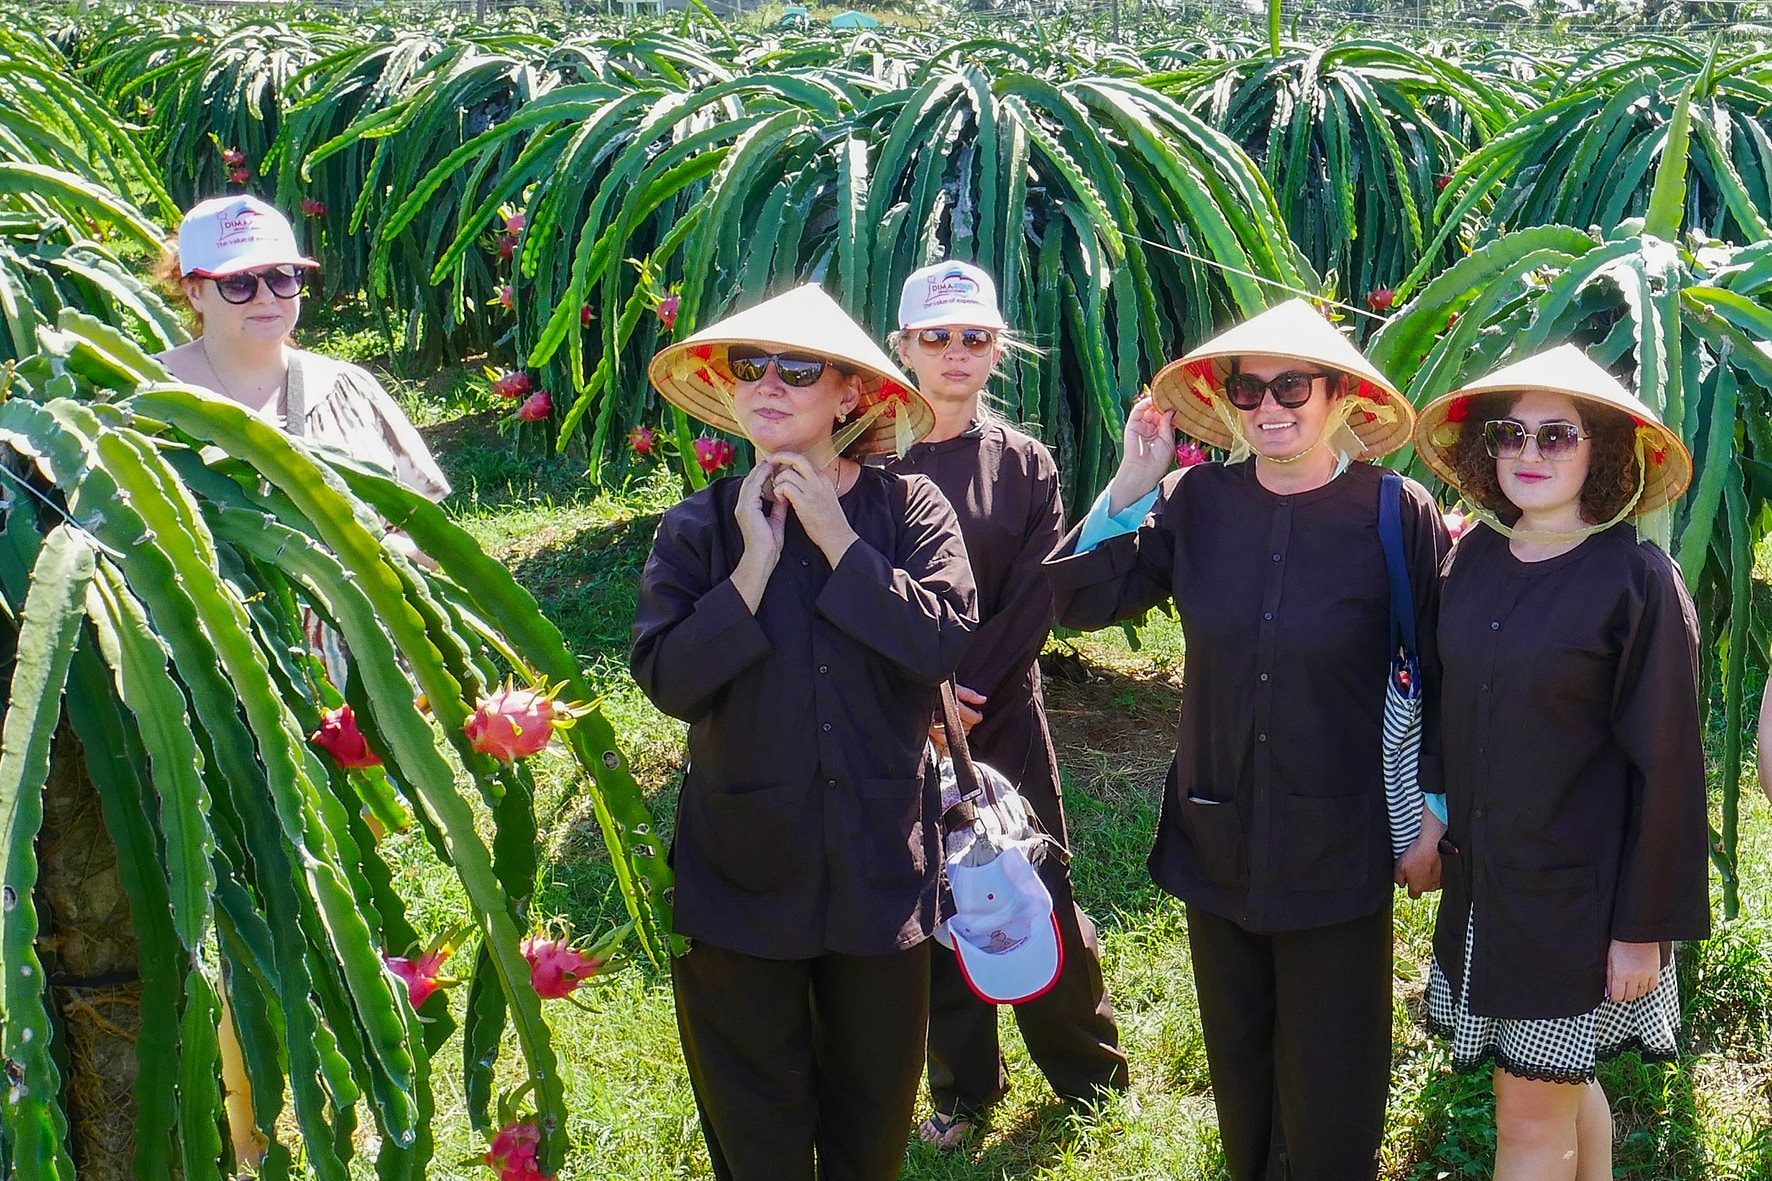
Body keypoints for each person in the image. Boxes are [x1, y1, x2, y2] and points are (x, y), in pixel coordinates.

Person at [1042, 298, 1449, 1181]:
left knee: (1334, 1087)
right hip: (1216, 834)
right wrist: (1131, 482)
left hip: (1340, 842)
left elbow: (1441, 670)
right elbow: (1076, 601)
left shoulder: (1393, 512)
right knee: (1240, 1074)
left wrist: (1435, 815)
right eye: (1249, 387)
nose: (1270, 406)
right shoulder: (1197, 501)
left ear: (1339, 395)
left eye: (1293, 385)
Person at [630, 283, 977, 1181]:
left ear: (849, 395)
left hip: (877, 877)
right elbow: (667, 679)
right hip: (740, 880)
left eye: (798, 368)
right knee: (758, 1145)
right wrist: (752, 568)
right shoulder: (700, 528)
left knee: (870, 1137)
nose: (770, 385)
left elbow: (941, 639)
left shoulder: (911, 514)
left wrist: (837, 541)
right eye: (751, 367)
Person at [1411, 344, 1710, 1180]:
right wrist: (1432, 817)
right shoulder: (1469, 561)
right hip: (1487, 892)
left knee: (1527, 1118)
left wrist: (1642, 930)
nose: (1530, 453)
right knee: (1559, 1091)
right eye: (1510, 434)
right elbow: (1446, 703)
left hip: (1581, 909)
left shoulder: (1636, 582)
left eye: (1558, 435)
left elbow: (1670, 773)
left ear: (1603, 450)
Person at [880, 261, 1128, 1148]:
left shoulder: (1023, 464)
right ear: (902, 346)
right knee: (936, 897)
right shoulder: (869, 458)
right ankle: (963, 1087)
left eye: (974, 338)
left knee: (1037, 883)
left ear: (998, 351)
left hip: (1003, 716)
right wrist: (926, 692)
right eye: (936, 337)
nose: (955, 353)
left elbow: (1034, 594)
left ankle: (1087, 1068)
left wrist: (964, 691)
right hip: (900, 720)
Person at [153, 195, 450, 507]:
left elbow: (431, 530)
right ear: (195, 292)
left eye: (281, 276)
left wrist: (374, 554)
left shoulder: (349, 390)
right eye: (239, 282)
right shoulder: (151, 397)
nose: (266, 296)